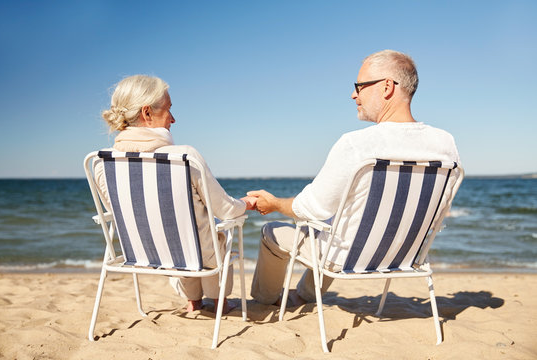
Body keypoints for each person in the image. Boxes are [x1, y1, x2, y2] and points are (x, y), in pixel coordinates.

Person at [247, 49, 461, 306]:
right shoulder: (445, 143)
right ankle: (304, 295)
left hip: (348, 258)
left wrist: (275, 204)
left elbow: (311, 208)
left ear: (387, 87)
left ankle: (264, 301)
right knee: (340, 220)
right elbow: (440, 209)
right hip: (404, 256)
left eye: (359, 86)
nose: (353, 94)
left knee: (272, 232)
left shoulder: (357, 144)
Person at [94, 75, 256, 313]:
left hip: (145, 255)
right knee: (213, 235)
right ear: (147, 113)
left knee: (178, 232)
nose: (173, 119)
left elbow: (120, 212)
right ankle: (220, 301)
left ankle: (193, 301)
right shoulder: (183, 157)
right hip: (197, 257)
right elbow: (226, 209)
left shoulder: (101, 163)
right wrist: (247, 203)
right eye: (169, 110)